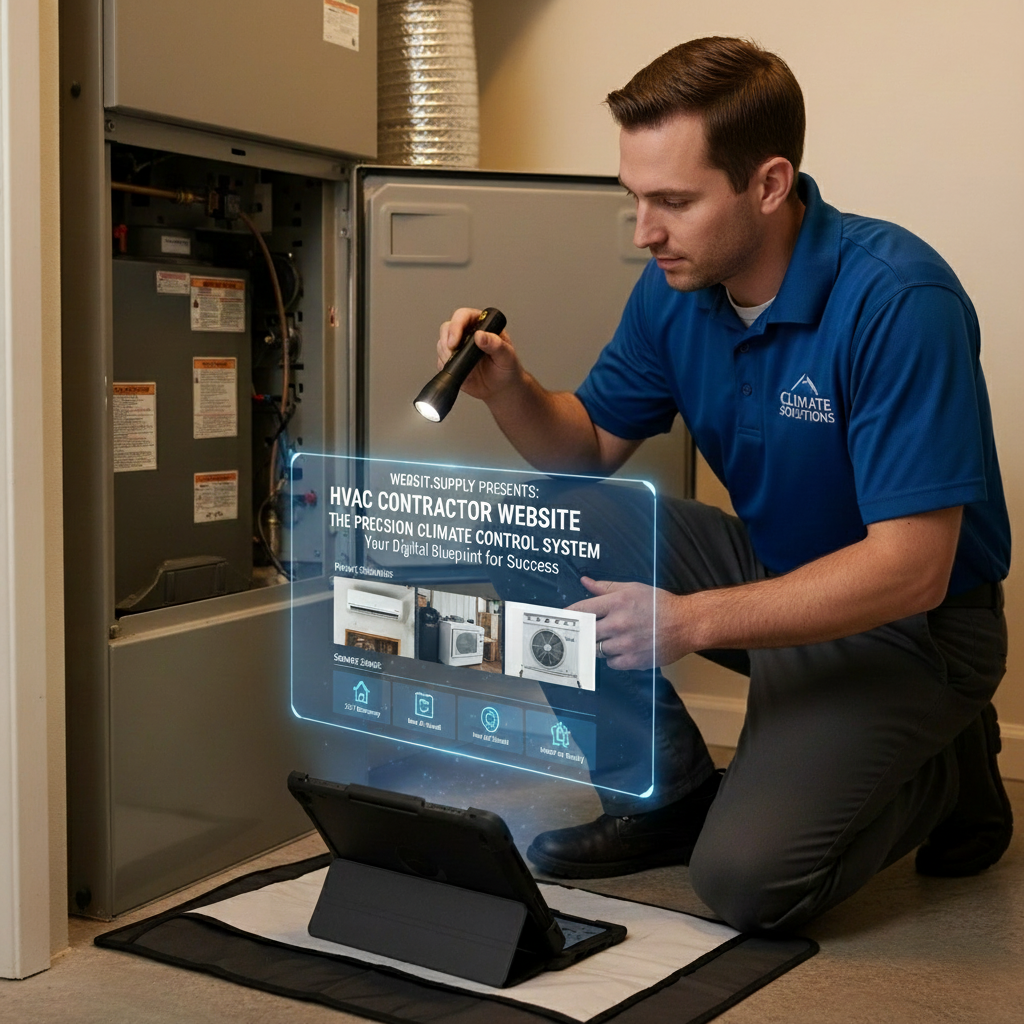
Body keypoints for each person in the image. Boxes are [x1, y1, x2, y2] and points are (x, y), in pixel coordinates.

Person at [437, 37, 1012, 934]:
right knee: (534, 523)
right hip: (774, 569)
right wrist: (508, 389)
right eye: (635, 199)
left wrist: (690, 621)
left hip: (913, 626)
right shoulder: (675, 289)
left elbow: (913, 570)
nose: (644, 231)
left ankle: (941, 768)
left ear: (770, 185)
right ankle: (665, 794)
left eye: (673, 201)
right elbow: (584, 450)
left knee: (750, 886)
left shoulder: (900, 298)